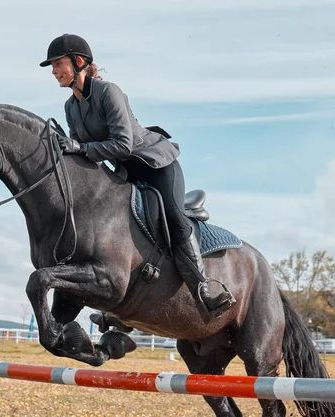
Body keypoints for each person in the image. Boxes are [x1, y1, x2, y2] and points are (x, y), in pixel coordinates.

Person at [39, 33, 236, 318]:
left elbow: (123, 144)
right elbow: (83, 152)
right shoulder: (71, 106)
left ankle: (204, 288)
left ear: (78, 62)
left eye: (58, 64)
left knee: (174, 218)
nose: (54, 72)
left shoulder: (109, 93)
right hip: (125, 172)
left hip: (155, 164)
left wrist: (80, 147)